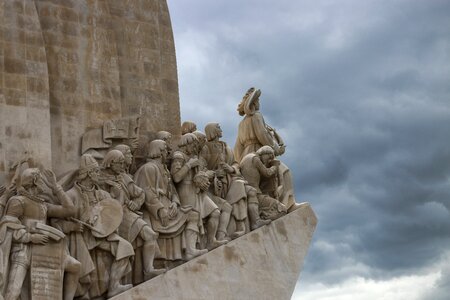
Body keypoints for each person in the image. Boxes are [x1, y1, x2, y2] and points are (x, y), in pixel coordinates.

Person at [55, 154, 134, 298]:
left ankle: (114, 286)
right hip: (82, 237)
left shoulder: (102, 194)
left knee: (125, 247)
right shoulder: (71, 195)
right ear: (89, 174)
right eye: (96, 171)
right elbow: (56, 222)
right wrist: (71, 227)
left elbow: (115, 212)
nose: (99, 174)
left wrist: (118, 193)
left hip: (102, 235)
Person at [1, 168, 81, 300]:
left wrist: (56, 187)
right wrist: (30, 237)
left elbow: (70, 210)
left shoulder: (43, 205)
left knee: (75, 266)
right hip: (23, 251)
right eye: (42, 180)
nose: (44, 184)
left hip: (44, 250)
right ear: (35, 182)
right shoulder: (18, 201)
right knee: (13, 292)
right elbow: (7, 226)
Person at [134, 140, 207, 263]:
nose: (167, 153)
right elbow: (147, 192)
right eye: (164, 150)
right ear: (158, 152)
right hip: (157, 212)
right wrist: (160, 209)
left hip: (169, 206)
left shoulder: (164, 170)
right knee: (192, 215)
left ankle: (190, 250)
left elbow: (172, 189)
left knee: (194, 215)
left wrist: (175, 202)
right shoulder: (149, 168)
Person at [101, 150, 165, 284]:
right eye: (120, 163)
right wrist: (115, 195)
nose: (122, 166)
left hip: (128, 215)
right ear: (111, 163)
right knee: (124, 250)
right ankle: (116, 284)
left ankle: (148, 270)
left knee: (151, 235)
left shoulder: (124, 177)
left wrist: (136, 203)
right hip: (112, 218)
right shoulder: (101, 180)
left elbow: (140, 193)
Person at [235, 87, 299, 212]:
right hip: (261, 151)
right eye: (257, 100)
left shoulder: (241, 124)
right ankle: (289, 205)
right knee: (283, 172)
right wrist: (276, 150)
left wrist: (239, 162)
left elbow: (238, 147)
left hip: (246, 155)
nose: (259, 103)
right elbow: (262, 135)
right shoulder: (256, 116)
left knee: (261, 185)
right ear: (254, 102)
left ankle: (269, 208)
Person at [171, 133, 228, 250]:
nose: (194, 148)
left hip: (197, 191)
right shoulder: (178, 156)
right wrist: (189, 164)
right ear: (186, 143)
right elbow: (176, 177)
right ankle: (191, 249)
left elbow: (197, 175)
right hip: (185, 190)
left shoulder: (192, 156)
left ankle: (211, 241)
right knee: (193, 217)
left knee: (215, 212)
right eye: (193, 145)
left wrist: (203, 177)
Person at [201, 123, 255, 237]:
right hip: (216, 185)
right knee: (239, 187)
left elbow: (235, 163)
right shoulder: (206, 148)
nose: (221, 130)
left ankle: (246, 224)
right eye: (218, 128)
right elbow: (201, 168)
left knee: (248, 190)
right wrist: (215, 173)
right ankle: (237, 227)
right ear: (212, 131)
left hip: (231, 178)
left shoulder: (226, 147)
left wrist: (231, 168)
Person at [240, 146, 287, 229]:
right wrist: (274, 166)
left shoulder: (247, 157)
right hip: (255, 193)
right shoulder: (255, 158)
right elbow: (267, 173)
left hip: (248, 190)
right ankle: (260, 218)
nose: (269, 161)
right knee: (282, 209)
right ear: (265, 153)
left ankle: (263, 215)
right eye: (269, 158)